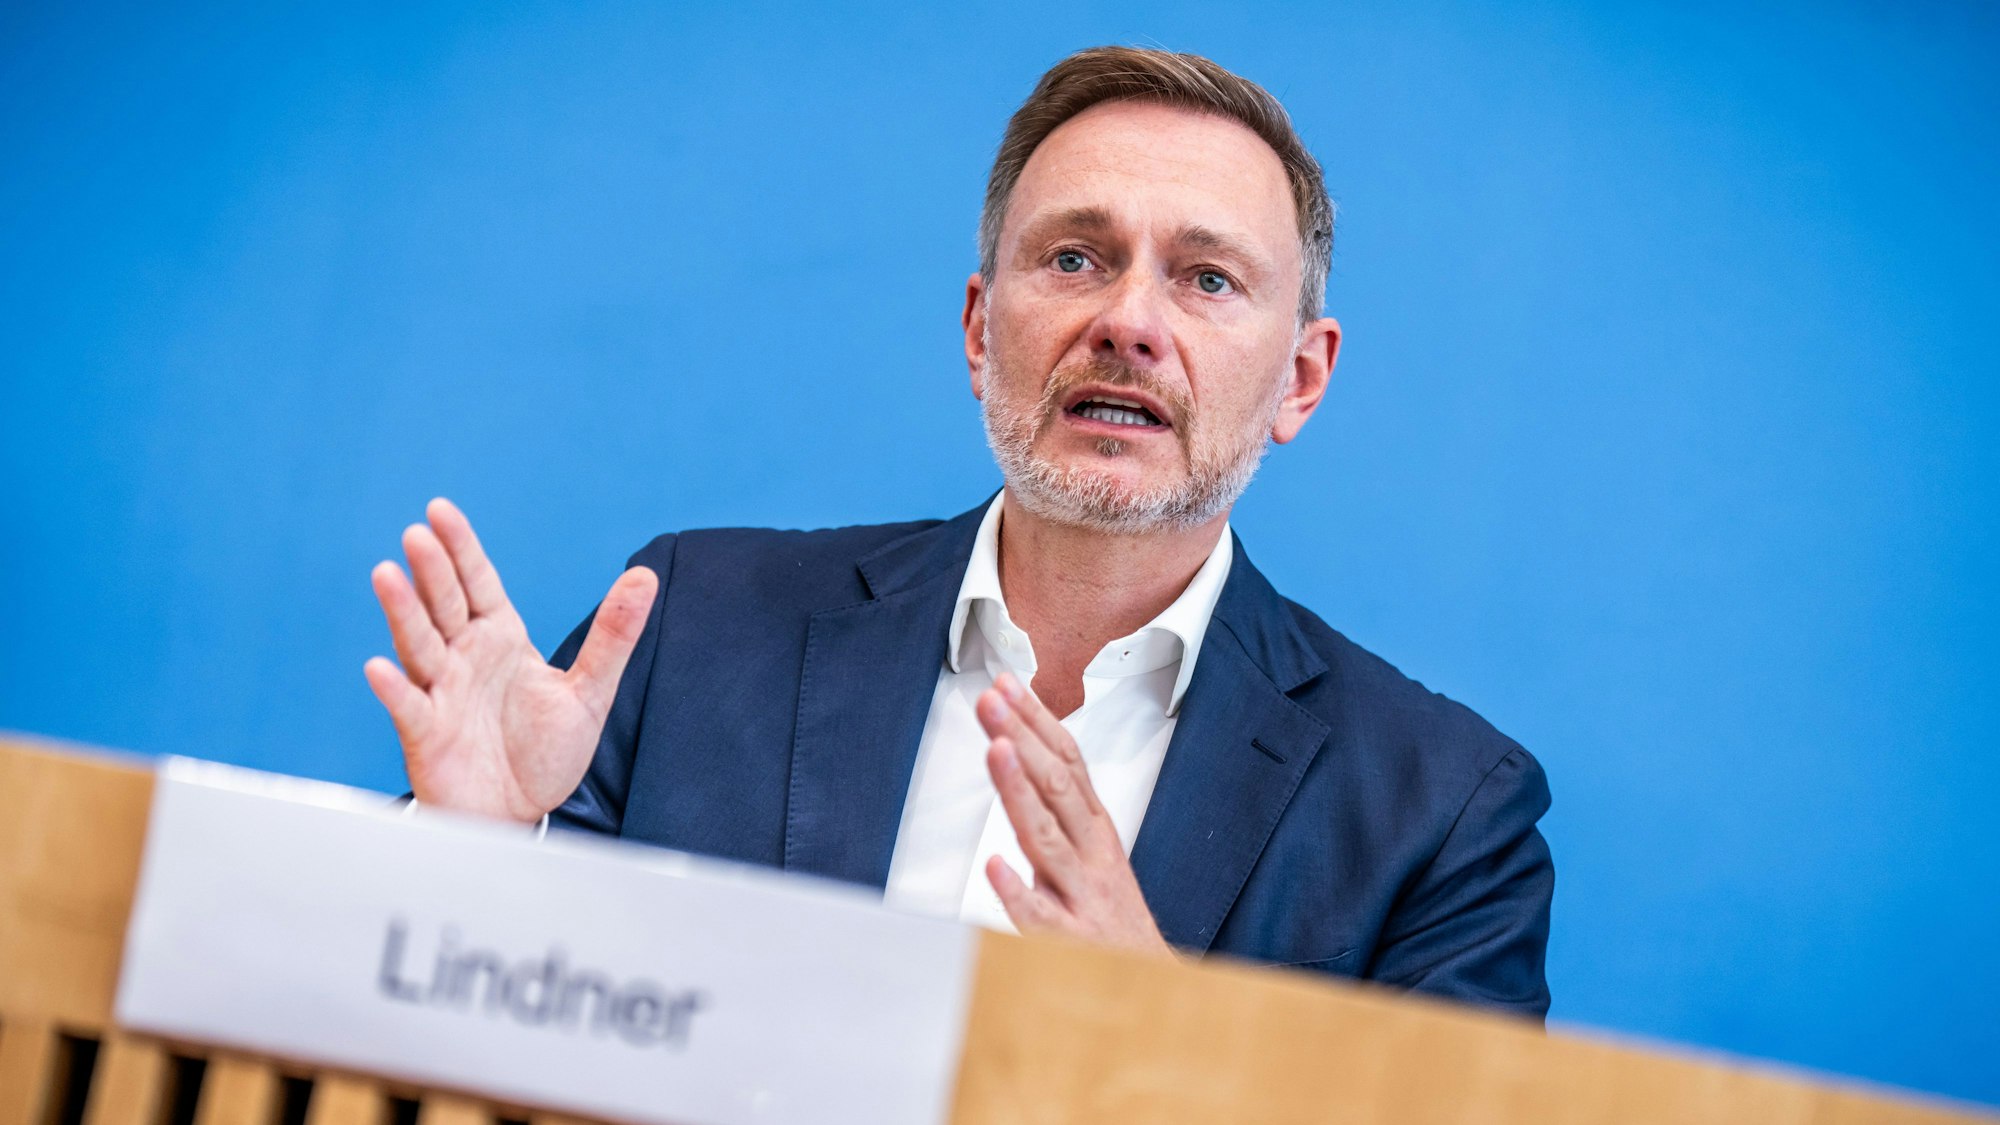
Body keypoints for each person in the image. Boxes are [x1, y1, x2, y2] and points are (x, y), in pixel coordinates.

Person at [363, 46, 1555, 1020]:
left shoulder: (1442, 820)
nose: (1126, 322)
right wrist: (475, 853)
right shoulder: (688, 628)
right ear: (981, 331)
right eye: (1074, 258)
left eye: (1204, 280)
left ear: (1300, 379)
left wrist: (1163, 1047)